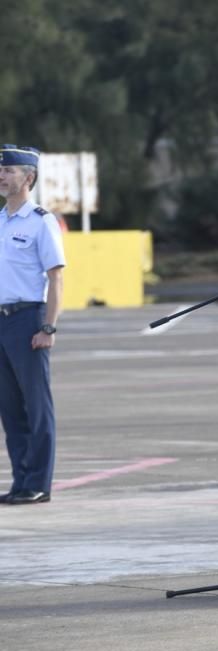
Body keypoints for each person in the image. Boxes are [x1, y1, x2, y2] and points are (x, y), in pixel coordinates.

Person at [0, 144, 66, 505]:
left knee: (36, 407)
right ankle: (21, 481)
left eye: (9, 170)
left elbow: (55, 278)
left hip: (29, 319)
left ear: (29, 177)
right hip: (1, 320)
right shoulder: (0, 222)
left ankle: (39, 483)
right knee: (10, 409)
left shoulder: (41, 221)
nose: (1, 175)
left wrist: (49, 327)